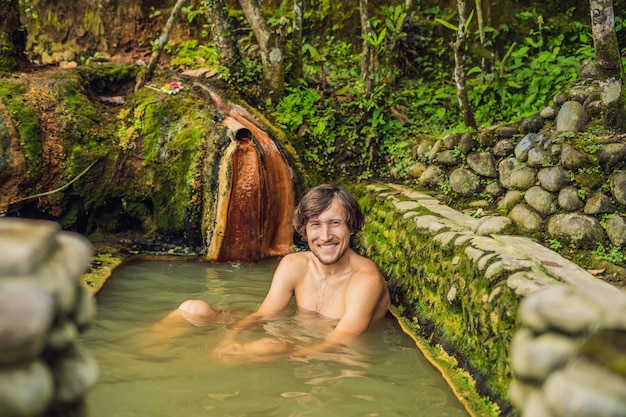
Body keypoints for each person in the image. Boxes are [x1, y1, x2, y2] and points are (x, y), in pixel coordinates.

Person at [153, 184, 390, 361]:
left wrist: (288, 356)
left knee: (267, 346)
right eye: (316, 224)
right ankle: (144, 350)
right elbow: (265, 313)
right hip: (292, 333)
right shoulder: (294, 265)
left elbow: (343, 339)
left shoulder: (365, 280)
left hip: (320, 352)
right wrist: (227, 340)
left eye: (335, 223)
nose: (325, 235)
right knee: (192, 308)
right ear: (304, 231)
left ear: (352, 226)